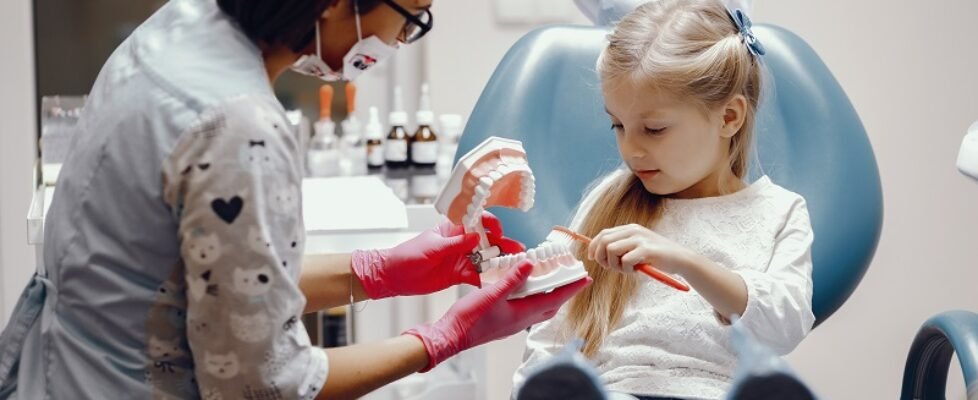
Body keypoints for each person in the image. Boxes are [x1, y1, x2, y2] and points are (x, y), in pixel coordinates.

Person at [0, 0, 588, 399]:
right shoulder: (238, 127)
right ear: (335, 2)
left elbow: (209, 284)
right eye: (410, 18)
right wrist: (443, 338)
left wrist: (377, 272)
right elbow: (269, 386)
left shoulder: (178, 27)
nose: (399, 41)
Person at [513, 1, 815, 399]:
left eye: (654, 129)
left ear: (729, 118)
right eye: (618, 125)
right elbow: (556, 334)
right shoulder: (610, 200)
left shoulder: (780, 212)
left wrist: (683, 261)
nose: (631, 149)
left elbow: (785, 327)